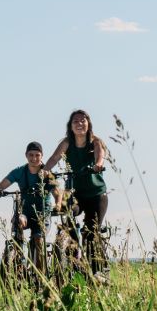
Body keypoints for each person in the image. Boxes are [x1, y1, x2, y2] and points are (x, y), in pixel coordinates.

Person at [44, 109, 108, 275]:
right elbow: (53, 158)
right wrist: (44, 171)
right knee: (67, 212)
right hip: (76, 192)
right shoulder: (67, 143)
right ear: (70, 126)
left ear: (88, 124)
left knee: (91, 233)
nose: (79, 124)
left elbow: (100, 155)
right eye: (75, 121)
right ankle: (71, 253)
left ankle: (98, 273)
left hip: (96, 195)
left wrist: (98, 164)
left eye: (83, 120)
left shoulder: (95, 142)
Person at [0, 141, 62, 275]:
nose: (34, 158)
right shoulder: (19, 171)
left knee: (38, 241)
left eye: (37, 155)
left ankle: (40, 276)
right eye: (31, 155)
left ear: (42, 156)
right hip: (26, 212)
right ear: (26, 155)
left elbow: (57, 192)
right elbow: (4, 183)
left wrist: (58, 204)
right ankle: (17, 259)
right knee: (17, 223)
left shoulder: (47, 174)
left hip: (42, 213)